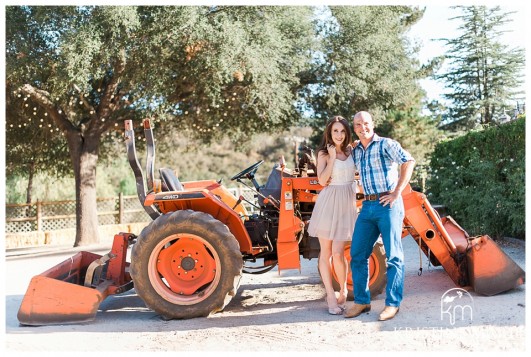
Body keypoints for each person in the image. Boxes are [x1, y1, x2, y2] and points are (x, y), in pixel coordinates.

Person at [344, 111, 415, 321]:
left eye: (365, 123)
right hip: (367, 205)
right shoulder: (356, 150)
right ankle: (362, 301)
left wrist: (396, 192)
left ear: (372, 124)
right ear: (354, 128)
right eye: (357, 124)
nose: (362, 127)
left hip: (388, 204)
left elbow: (408, 161)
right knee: (357, 253)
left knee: (394, 256)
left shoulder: (386, 144)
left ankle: (393, 304)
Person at [307, 116, 358, 315]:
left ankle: (343, 288)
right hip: (329, 202)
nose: (338, 135)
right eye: (335, 131)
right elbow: (321, 181)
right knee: (326, 252)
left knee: (339, 252)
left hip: (347, 203)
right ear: (329, 132)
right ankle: (330, 295)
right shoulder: (323, 153)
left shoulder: (351, 150)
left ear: (347, 133)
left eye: (342, 131)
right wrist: (332, 158)